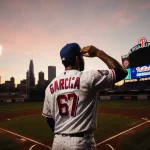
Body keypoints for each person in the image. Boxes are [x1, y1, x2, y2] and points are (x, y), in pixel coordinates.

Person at [42, 43, 127, 150]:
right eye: (81, 57)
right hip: (80, 143)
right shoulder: (88, 77)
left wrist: (63, 134)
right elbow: (121, 72)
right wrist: (98, 52)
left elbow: (49, 119)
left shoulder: (50, 87)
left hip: (57, 143)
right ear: (77, 58)